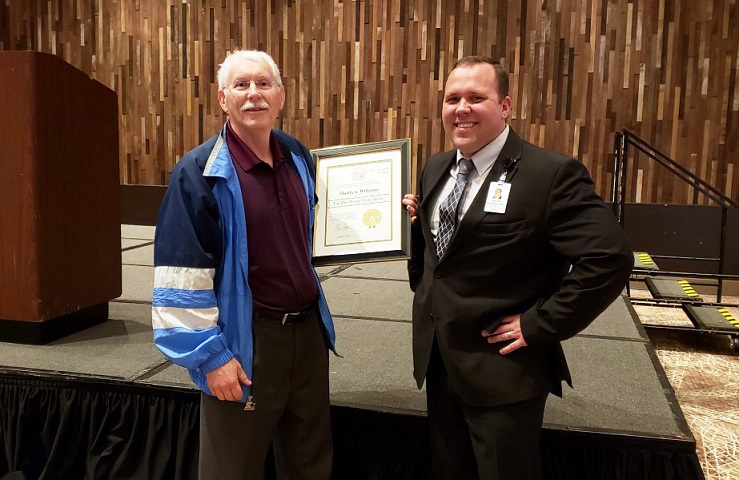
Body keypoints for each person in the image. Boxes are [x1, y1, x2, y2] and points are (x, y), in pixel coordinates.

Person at [402, 56, 633, 479]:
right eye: (453, 98)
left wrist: (539, 324)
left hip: (503, 370)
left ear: (505, 106)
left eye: (477, 97)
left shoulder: (549, 174)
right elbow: (444, 255)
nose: (462, 108)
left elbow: (610, 259)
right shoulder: (435, 167)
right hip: (440, 361)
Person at [151, 49, 335, 480]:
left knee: (310, 462)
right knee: (231, 469)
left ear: (281, 95)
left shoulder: (296, 156)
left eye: (264, 84)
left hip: (306, 337)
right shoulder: (197, 173)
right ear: (222, 99)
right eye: (241, 85)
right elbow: (179, 277)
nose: (254, 94)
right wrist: (209, 357)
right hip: (245, 341)